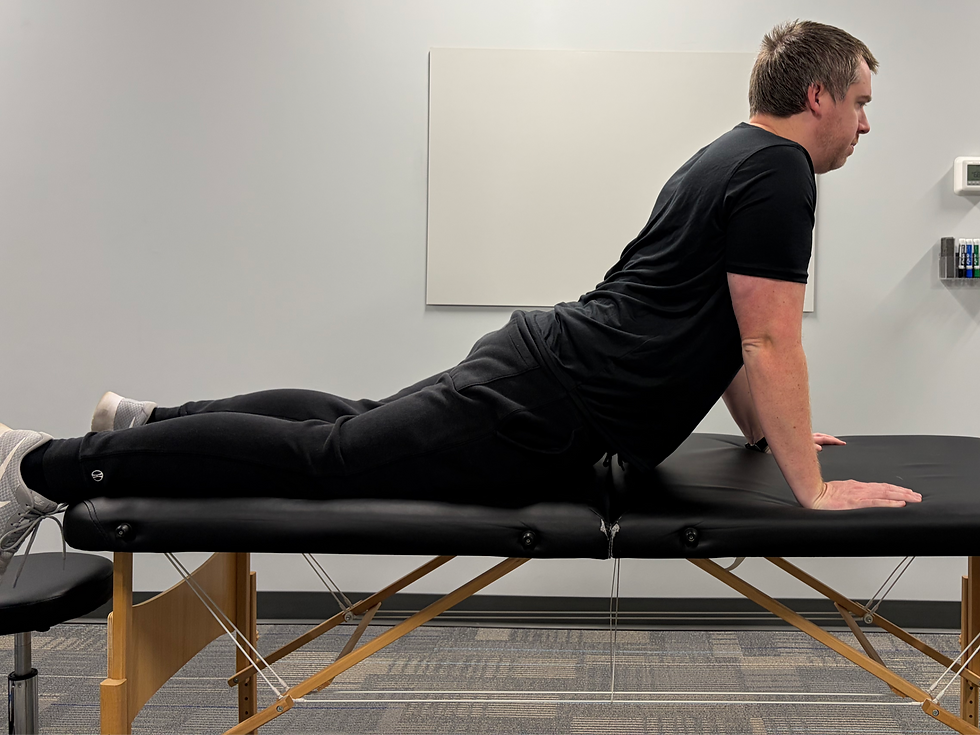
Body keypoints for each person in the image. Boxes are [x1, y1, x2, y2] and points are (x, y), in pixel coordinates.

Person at [0, 20, 922, 579]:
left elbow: (717, 327)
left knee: (349, 425)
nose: (867, 123)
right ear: (818, 93)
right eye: (863, 102)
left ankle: (143, 419)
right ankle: (42, 467)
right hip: (545, 403)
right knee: (330, 455)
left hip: (546, 370)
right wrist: (812, 490)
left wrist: (767, 434)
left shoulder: (733, 153)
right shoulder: (781, 173)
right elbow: (768, 339)